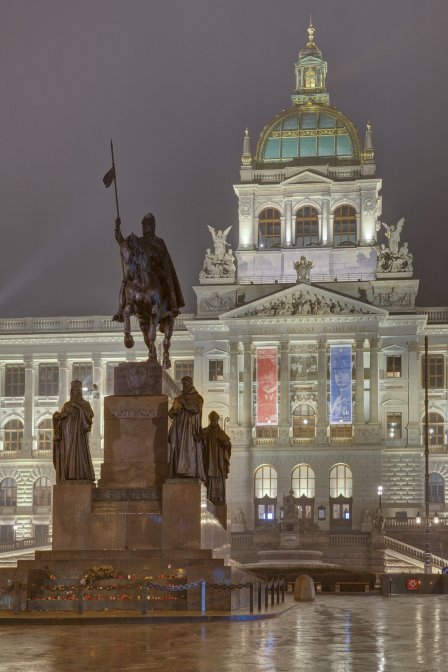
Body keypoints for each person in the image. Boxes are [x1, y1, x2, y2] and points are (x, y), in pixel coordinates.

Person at [113, 213, 185, 323]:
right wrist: (117, 228)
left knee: (167, 279)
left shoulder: (159, 241)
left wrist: (156, 259)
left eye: (147, 225)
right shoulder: (138, 240)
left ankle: (173, 305)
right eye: (144, 225)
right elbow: (123, 244)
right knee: (125, 282)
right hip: (140, 271)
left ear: (153, 226)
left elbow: (165, 259)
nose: (145, 228)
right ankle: (120, 310)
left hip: (156, 269)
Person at [52, 380, 95, 482]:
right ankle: (69, 474)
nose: (76, 392)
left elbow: (90, 416)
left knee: (80, 453)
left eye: (78, 390)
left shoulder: (85, 404)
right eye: (74, 390)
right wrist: (57, 417)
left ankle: (81, 474)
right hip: (67, 433)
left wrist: (79, 408)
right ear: (72, 391)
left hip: (79, 433)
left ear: (80, 391)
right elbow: (62, 417)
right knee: (68, 454)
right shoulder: (67, 405)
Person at [168, 376, 205, 479]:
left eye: (185, 384)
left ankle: (189, 471)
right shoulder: (179, 398)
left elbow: (196, 409)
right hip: (179, 428)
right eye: (183, 384)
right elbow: (170, 413)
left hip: (190, 429)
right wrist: (174, 412)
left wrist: (185, 404)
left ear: (190, 384)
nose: (184, 386)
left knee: (189, 449)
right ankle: (177, 471)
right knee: (178, 449)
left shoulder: (198, 398)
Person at [202, 411, 231, 504]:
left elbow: (227, 444)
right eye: (212, 420)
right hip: (209, 459)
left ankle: (219, 497)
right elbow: (201, 443)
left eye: (215, 420)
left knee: (219, 477)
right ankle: (209, 496)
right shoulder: (206, 431)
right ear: (210, 420)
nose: (214, 422)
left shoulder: (221, 432)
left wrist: (226, 443)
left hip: (219, 460)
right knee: (209, 476)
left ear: (217, 421)